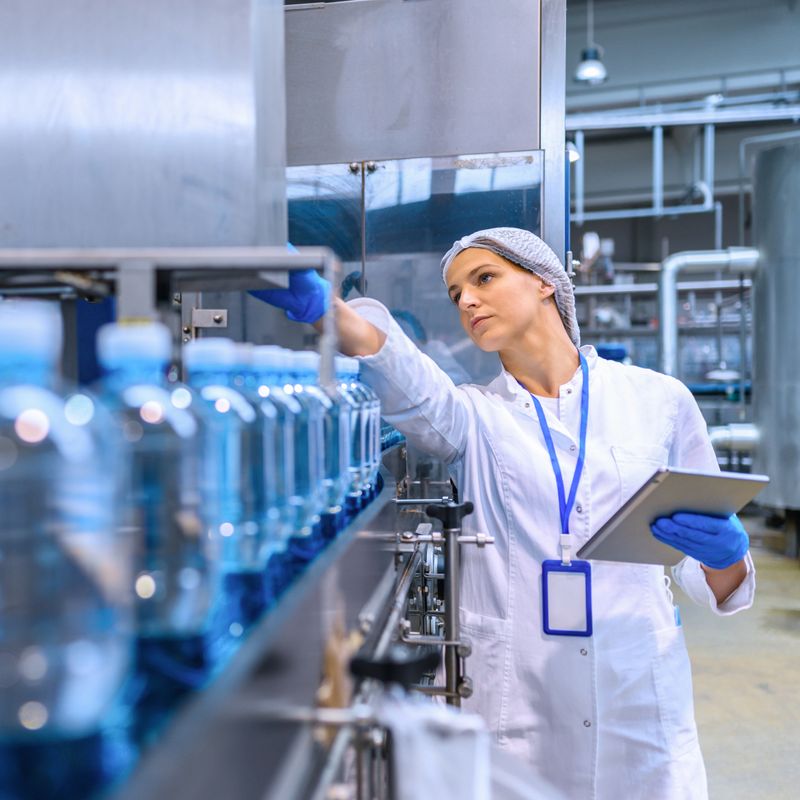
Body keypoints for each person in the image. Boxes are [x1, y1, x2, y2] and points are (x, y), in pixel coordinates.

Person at [252, 228, 754, 799]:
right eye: (455, 293)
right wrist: (328, 309)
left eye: (484, 278)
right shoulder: (474, 417)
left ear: (545, 283)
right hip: (522, 710)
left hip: (636, 702)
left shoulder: (659, 400)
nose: (466, 300)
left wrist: (729, 555)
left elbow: (709, 574)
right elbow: (402, 372)